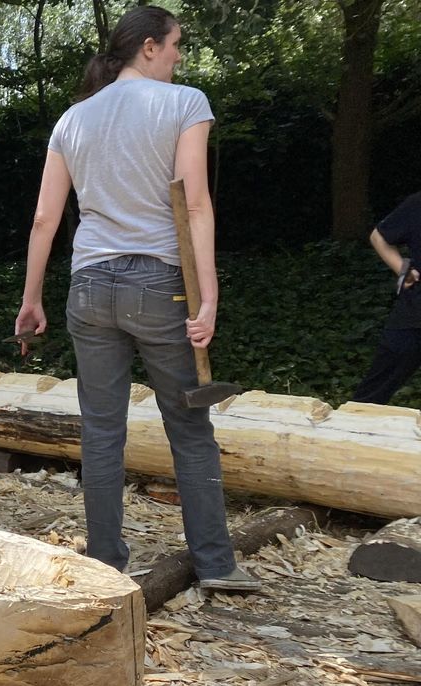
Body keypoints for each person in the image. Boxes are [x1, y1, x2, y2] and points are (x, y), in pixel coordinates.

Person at [14, 5, 260, 592]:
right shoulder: (184, 104)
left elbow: (45, 219)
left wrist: (31, 299)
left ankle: (104, 560)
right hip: (160, 283)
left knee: (102, 429)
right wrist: (209, 295)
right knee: (189, 425)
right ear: (149, 46)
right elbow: (194, 203)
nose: (179, 56)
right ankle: (217, 565)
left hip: (90, 285)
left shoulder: (73, 119)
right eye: (176, 44)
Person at [352, 192, 421, 405]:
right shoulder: (417, 203)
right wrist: (402, 268)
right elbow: (378, 237)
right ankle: (353, 428)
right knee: (373, 392)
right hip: (415, 312)